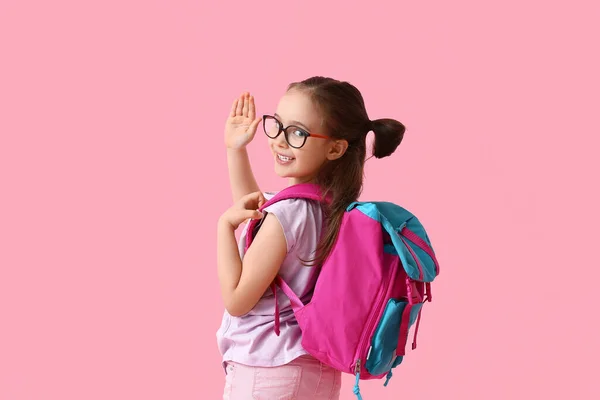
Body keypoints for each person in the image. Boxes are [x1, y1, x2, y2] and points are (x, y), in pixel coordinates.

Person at [216, 76, 405, 399]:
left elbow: (237, 300)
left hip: (268, 370)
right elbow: (257, 216)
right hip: (316, 371)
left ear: (335, 148)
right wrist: (237, 150)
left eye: (298, 133)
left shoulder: (289, 213)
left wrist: (223, 228)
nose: (279, 141)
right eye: (277, 125)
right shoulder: (331, 206)